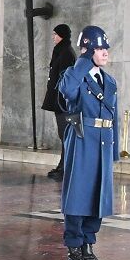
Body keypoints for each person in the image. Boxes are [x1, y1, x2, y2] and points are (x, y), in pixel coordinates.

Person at [57, 25, 119, 260]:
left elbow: (114, 116)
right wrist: (83, 60)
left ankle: (88, 249)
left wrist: (114, 151)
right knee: (78, 196)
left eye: (105, 48)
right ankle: (74, 254)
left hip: (103, 142)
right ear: (88, 50)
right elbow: (66, 92)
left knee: (98, 197)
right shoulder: (75, 76)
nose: (105, 52)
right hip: (82, 139)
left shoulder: (110, 81)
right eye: (99, 48)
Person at [42, 23, 75, 179]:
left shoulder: (66, 53)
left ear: (61, 35)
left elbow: (66, 80)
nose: (53, 37)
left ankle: (65, 168)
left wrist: (62, 99)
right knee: (63, 135)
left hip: (63, 102)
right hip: (58, 100)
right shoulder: (60, 51)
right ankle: (62, 166)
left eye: (55, 34)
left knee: (65, 135)